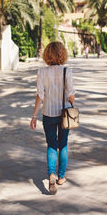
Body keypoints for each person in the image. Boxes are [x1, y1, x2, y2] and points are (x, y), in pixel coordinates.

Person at [30, 41, 75, 195]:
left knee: (51, 145)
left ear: (47, 54)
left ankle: (51, 175)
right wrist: (72, 103)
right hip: (64, 114)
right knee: (63, 144)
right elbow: (71, 94)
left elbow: (39, 95)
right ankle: (61, 177)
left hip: (48, 114)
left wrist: (34, 115)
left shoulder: (42, 72)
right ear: (62, 54)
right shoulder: (67, 71)